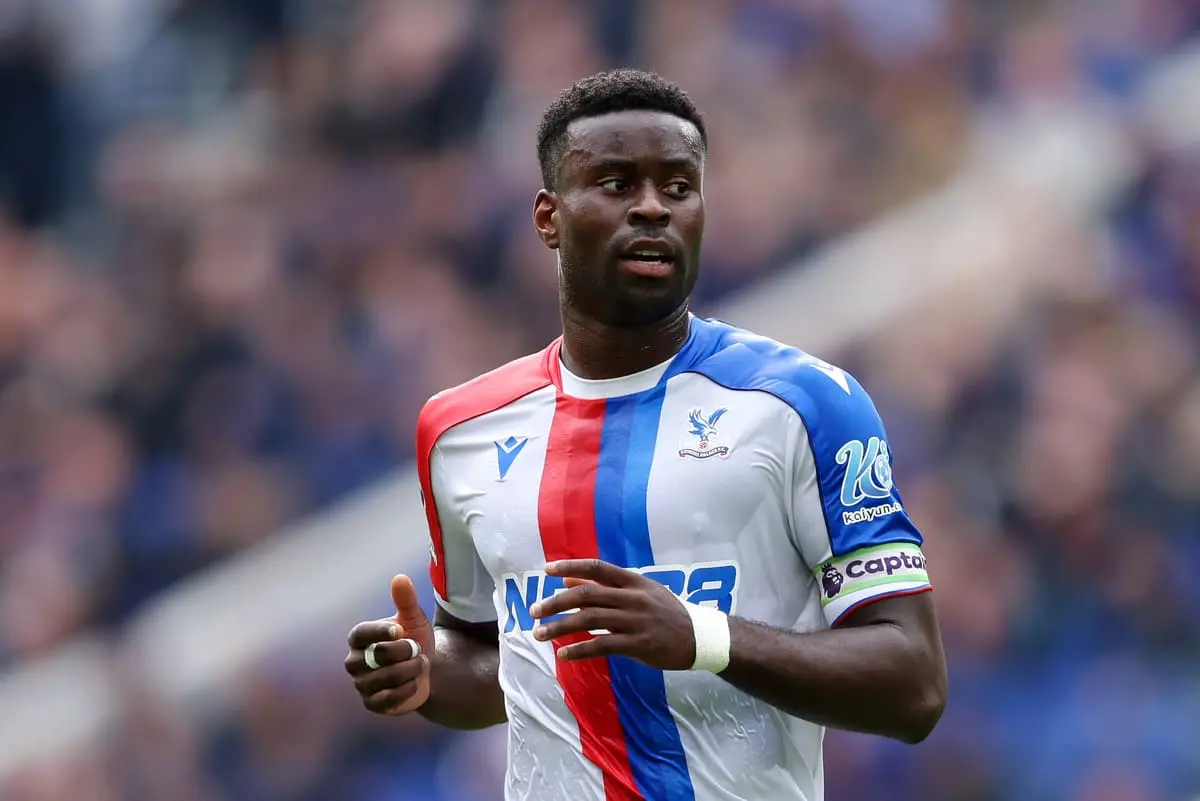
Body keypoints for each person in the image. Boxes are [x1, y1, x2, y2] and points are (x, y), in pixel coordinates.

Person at [345, 68, 948, 801]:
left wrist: (703, 638)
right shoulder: (459, 429)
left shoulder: (805, 405)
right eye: (616, 184)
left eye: (678, 186)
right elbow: (494, 664)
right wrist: (425, 669)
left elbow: (913, 683)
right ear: (548, 217)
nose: (653, 208)